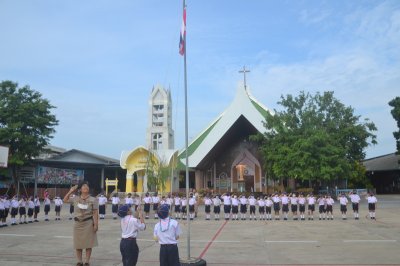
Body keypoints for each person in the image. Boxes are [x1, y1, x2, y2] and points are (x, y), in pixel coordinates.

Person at [63, 181, 99, 266]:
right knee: (78, 244)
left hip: (88, 223)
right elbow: (64, 200)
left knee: (89, 243)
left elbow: (95, 213)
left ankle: (87, 261)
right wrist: (71, 191)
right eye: (84, 186)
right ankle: (79, 261)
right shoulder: (75, 198)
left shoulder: (93, 200)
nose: (86, 187)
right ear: (80, 190)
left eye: (87, 186)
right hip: (78, 223)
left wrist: (96, 224)